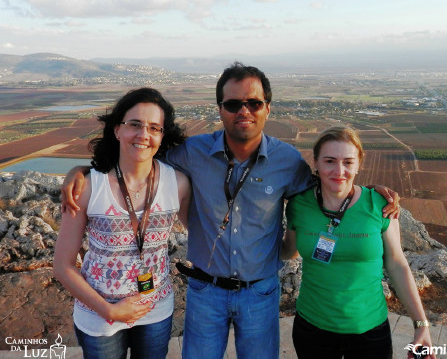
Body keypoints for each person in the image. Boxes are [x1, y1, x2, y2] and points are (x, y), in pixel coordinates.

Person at [61, 62, 400, 359]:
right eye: (234, 103)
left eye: (254, 103)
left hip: (261, 292)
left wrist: (370, 193)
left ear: (267, 108)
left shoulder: (287, 162)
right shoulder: (191, 152)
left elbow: (327, 185)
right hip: (205, 292)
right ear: (220, 109)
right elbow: (137, 157)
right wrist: (80, 173)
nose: (244, 111)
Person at [53, 87, 191, 359]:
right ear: (117, 129)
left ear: (162, 136)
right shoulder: (89, 186)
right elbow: (62, 265)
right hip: (99, 315)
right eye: (135, 125)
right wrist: (109, 310)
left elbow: (201, 232)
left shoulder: (178, 183)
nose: (143, 135)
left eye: (154, 128)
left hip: (156, 309)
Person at [282, 126, 434, 359]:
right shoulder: (299, 206)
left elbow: (397, 265)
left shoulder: (380, 205)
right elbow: (288, 252)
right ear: (316, 163)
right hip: (312, 329)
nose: (339, 171)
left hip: (370, 332)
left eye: (348, 162)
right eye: (330, 161)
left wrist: (421, 324)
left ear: (359, 164)